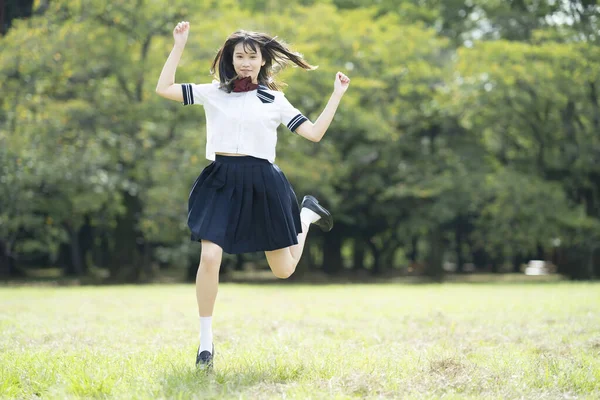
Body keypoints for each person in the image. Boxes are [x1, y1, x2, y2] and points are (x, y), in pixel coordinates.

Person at [155, 21, 350, 370]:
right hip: (221, 180)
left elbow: (315, 134)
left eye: (252, 56)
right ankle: (205, 346)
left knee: (284, 270)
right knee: (210, 256)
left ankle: (306, 215)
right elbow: (164, 88)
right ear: (230, 59)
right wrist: (179, 45)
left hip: (263, 183)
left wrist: (336, 96)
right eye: (239, 56)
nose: (245, 62)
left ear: (263, 61)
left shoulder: (275, 100)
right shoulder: (214, 92)